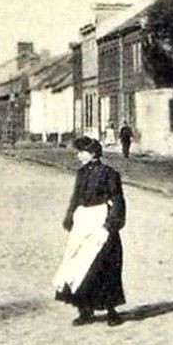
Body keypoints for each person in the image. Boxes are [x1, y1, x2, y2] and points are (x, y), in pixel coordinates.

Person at [51, 136, 126, 327]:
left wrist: (112, 224)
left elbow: (117, 199)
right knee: (79, 265)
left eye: (82, 152)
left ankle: (111, 311)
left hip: (101, 222)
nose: (78, 156)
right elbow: (76, 198)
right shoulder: (82, 174)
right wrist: (70, 217)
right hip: (83, 221)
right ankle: (85, 310)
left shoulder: (109, 174)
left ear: (92, 154)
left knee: (104, 265)